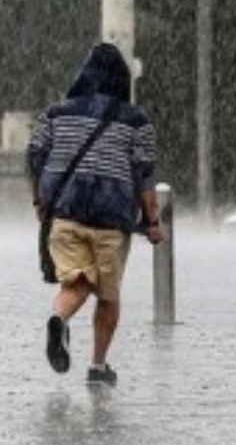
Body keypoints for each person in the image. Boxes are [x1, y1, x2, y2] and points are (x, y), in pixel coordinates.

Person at [27, 43, 165, 386]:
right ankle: (98, 367)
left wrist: (40, 200)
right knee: (107, 295)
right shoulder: (136, 122)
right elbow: (144, 176)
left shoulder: (55, 114)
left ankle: (59, 319)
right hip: (111, 220)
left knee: (76, 282)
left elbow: (35, 155)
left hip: (66, 212)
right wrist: (152, 222)